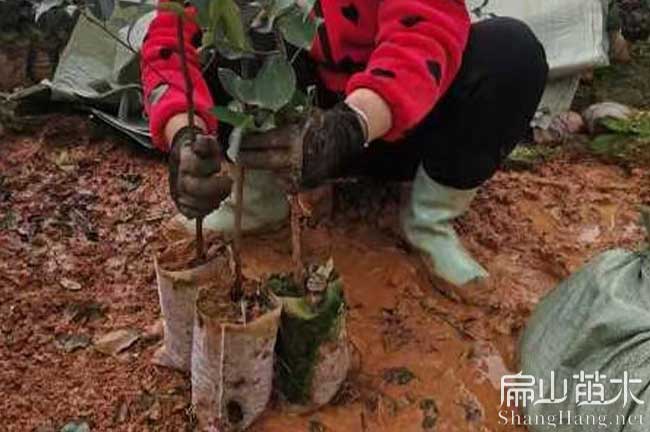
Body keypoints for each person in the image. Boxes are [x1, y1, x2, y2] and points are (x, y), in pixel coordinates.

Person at [140, 0, 548, 298]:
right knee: (233, 29)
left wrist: (348, 127)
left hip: (394, 124)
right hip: (294, 121)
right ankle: (263, 199)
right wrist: (184, 134)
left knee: (512, 53)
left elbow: (424, 31)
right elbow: (172, 39)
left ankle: (429, 220)